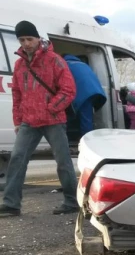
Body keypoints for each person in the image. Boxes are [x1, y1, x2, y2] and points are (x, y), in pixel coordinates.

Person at [0, 21, 79, 217]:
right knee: (17, 159)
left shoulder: (55, 60)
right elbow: (17, 94)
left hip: (54, 120)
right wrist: (18, 120)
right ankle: (11, 204)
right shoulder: (19, 64)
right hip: (29, 121)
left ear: (37, 38)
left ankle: (72, 201)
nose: (26, 43)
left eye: (29, 38)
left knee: (63, 162)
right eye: (22, 39)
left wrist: (50, 108)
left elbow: (69, 90)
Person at [63, 55, 107, 138]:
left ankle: (66, 141)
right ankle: (87, 142)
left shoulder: (65, 64)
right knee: (86, 120)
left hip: (80, 92)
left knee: (65, 118)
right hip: (92, 92)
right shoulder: (84, 64)